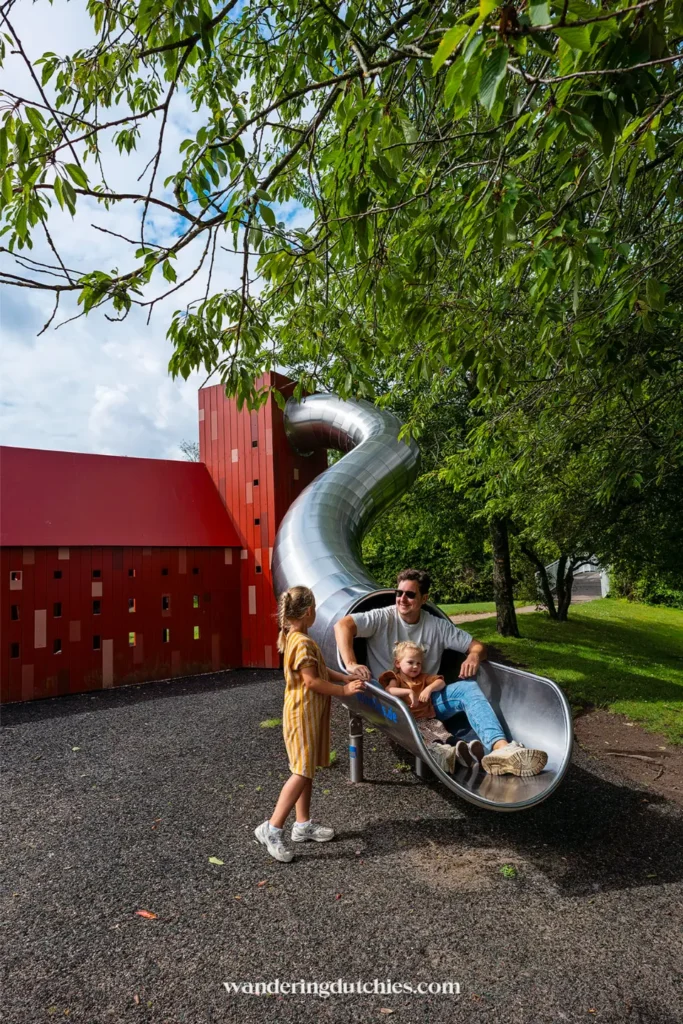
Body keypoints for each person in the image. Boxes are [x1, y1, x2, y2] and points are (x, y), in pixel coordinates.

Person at [334, 568, 548, 777]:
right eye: (399, 593)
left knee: (467, 688)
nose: (402, 599)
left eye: (410, 594)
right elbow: (343, 626)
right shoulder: (383, 617)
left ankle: (501, 749)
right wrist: (351, 663)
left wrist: (473, 657)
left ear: (424, 598)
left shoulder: (437, 626)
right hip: (390, 701)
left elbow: (478, 646)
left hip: (427, 700)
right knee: (431, 732)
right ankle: (450, 752)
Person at [255, 586, 365, 863]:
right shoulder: (302, 642)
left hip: (306, 714)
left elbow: (319, 671)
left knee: (306, 769)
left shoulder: (297, 637)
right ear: (308, 612)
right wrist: (344, 692)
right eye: (315, 608)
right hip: (301, 715)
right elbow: (311, 681)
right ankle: (272, 828)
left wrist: (343, 678)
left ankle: (302, 825)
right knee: (301, 772)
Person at [379, 640, 486, 775]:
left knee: (443, 733)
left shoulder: (423, 677)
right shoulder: (396, 678)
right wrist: (408, 692)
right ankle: (444, 755)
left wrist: (428, 689)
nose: (415, 666)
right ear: (398, 663)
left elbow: (441, 682)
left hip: (428, 718)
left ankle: (464, 749)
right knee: (430, 738)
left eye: (418, 663)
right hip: (411, 722)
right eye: (410, 662)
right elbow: (389, 691)